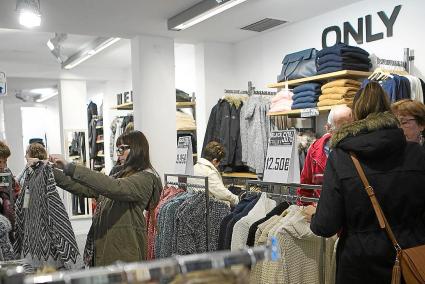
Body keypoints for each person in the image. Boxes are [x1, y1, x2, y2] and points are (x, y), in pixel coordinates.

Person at [303, 81, 425, 283]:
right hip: (409, 262)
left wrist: (313, 216)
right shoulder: (418, 155)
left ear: (356, 115)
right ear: (389, 111)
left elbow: (326, 225)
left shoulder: (341, 157)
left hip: (359, 266)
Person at [50, 130, 162, 267]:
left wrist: (70, 166)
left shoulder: (145, 179)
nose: (118, 154)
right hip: (106, 250)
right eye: (117, 149)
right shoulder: (119, 175)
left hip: (124, 257)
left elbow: (112, 187)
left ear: (137, 149)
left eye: (122, 149)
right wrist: (50, 172)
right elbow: (83, 188)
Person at [297, 104, 353, 201]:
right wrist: (305, 208)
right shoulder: (315, 150)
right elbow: (305, 186)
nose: (346, 134)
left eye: (350, 128)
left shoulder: (358, 148)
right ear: (328, 128)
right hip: (321, 209)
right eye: (341, 130)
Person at [194, 141, 239, 206]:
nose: (219, 164)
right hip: (208, 209)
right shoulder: (209, 173)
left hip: (195, 205)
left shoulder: (194, 167)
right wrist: (237, 199)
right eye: (219, 162)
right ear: (214, 160)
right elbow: (222, 194)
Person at [0, 140, 20, 230]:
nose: (3, 166)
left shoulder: (6, 172)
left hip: (10, 220)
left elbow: (13, 192)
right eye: (0, 162)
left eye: (5, 161)